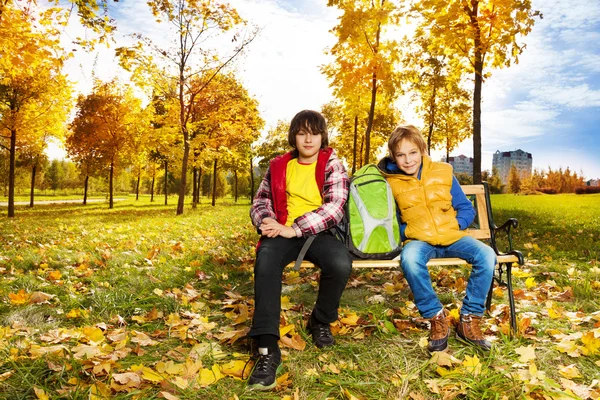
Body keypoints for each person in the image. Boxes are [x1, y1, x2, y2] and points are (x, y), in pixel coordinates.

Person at [247, 110, 352, 390]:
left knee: (340, 263)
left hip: (317, 232)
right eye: (302, 132)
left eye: (314, 132)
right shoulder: (279, 165)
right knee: (266, 258)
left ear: (322, 136)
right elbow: (261, 200)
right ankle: (267, 349)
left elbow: (335, 207)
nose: (308, 138)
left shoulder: (333, 164)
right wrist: (266, 221)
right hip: (281, 229)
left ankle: (319, 321)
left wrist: (295, 228)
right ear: (294, 135)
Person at [377, 125, 497, 353]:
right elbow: (390, 220)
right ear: (393, 156)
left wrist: (455, 224)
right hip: (419, 241)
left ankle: (469, 319)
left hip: (452, 236)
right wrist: (408, 231)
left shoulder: (443, 172)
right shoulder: (390, 182)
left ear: (422, 149)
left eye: (412, 152)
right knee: (410, 260)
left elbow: (465, 208)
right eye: (401, 155)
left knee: (486, 255)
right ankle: (436, 317)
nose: (408, 160)